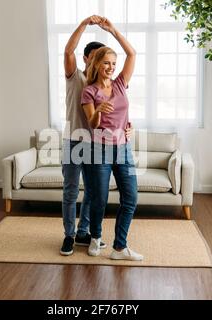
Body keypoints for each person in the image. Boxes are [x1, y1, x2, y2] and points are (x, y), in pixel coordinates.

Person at [82, 18, 143, 261]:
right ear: (97, 64)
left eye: (114, 63)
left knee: (131, 198)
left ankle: (120, 247)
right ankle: (95, 237)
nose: (111, 67)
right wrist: (99, 111)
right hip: (101, 151)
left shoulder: (120, 84)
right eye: (106, 63)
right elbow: (92, 124)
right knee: (99, 199)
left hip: (124, 150)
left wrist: (112, 30)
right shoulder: (89, 91)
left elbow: (132, 53)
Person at [60, 15, 107, 256]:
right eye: (96, 58)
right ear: (86, 59)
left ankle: (83, 232)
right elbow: (68, 50)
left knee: (92, 191)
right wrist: (85, 23)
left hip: (97, 144)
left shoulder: (103, 85)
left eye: (103, 60)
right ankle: (68, 235)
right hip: (73, 141)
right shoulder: (74, 76)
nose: (99, 63)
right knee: (70, 191)